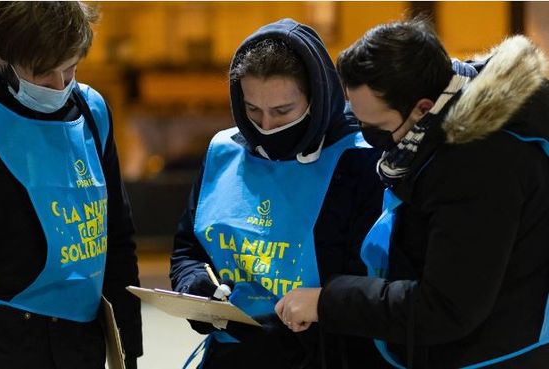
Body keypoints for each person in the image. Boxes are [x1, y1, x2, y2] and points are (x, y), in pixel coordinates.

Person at [276, 18, 549, 368]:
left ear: (422, 108)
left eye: (377, 128)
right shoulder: (443, 118)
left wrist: (327, 301)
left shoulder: (479, 164)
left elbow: (446, 307)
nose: (367, 137)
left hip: (492, 357)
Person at [170, 18, 389, 369]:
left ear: (317, 97)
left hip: (324, 357)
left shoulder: (360, 157)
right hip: (233, 355)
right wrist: (194, 286)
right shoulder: (224, 151)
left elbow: (370, 282)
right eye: (252, 110)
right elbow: (188, 248)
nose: (266, 127)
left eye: (283, 111)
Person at [0, 2, 142, 368]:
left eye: (69, 69)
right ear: (3, 57)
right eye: (42, 75)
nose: (59, 86)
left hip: (78, 341)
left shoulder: (91, 109)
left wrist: (128, 345)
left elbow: (116, 236)